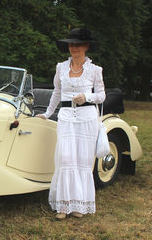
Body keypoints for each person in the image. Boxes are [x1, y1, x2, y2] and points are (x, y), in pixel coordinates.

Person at [37, 28, 106, 220]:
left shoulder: (95, 70)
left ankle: (79, 205)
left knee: (83, 161)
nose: (73, 48)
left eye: (77, 45)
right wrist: (48, 113)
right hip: (66, 116)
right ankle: (63, 205)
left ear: (86, 47)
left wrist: (87, 96)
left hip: (87, 118)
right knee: (66, 158)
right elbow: (56, 93)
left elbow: (101, 96)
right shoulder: (61, 67)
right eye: (71, 45)